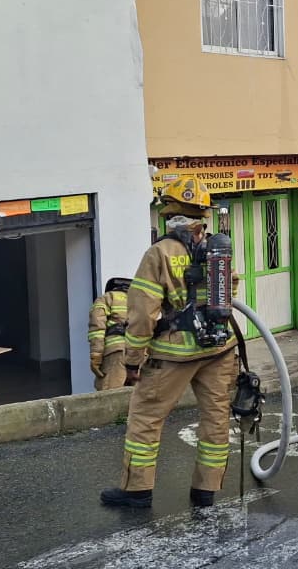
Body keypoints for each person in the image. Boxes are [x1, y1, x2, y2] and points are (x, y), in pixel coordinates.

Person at [100, 176, 239, 510]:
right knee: (216, 419)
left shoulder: (159, 253)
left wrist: (132, 362)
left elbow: (142, 313)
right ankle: (206, 490)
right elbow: (231, 292)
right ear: (201, 215)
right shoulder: (217, 248)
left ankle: (137, 490)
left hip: (174, 354)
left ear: (169, 211)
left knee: (145, 418)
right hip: (219, 348)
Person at [87, 277, 131, 390]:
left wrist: (96, 356)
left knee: (109, 396)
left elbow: (97, 328)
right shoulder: (140, 300)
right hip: (140, 354)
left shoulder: (106, 298)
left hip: (116, 353)